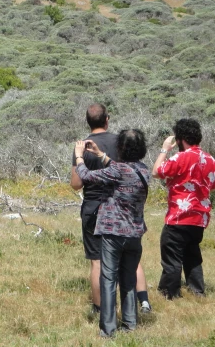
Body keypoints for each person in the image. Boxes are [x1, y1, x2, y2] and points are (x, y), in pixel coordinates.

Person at [70, 104, 152, 314]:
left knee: (97, 261)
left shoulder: (84, 145)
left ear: (88, 121)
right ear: (107, 119)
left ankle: (100, 309)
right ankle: (142, 302)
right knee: (131, 258)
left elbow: (77, 183)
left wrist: (80, 157)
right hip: (124, 208)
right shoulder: (121, 142)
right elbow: (125, 170)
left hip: (94, 206)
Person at [152, 118, 215, 299]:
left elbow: (156, 171)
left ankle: (169, 293)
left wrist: (165, 149)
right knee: (193, 255)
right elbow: (212, 184)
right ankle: (197, 291)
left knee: (172, 257)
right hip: (199, 218)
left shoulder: (181, 157)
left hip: (179, 216)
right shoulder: (210, 159)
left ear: (180, 138)